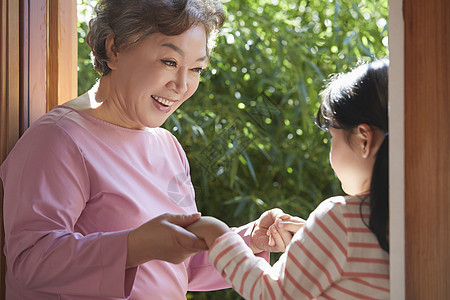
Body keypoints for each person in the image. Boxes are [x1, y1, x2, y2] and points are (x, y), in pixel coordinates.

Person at [0, 0, 300, 299]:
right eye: (169, 62)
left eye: (196, 69)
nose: (182, 85)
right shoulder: (59, 139)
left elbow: (179, 264)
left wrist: (252, 240)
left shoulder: (166, 146)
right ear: (114, 49)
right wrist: (135, 246)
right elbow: (30, 262)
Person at [187, 59, 390, 299]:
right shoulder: (414, 221)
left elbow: (270, 293)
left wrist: (218, 236)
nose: (330, 152)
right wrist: (315, 242)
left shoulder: (341, 220)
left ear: (363, 140)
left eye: (332, 138)